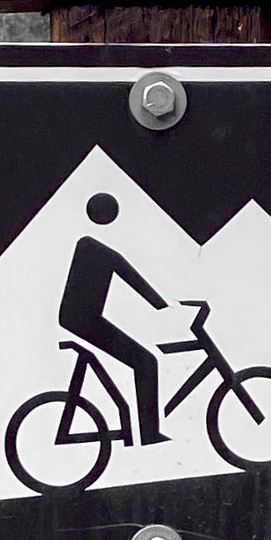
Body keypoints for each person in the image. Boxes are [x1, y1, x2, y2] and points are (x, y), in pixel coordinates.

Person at [58, 191, 170, 447]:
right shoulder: (92, 246)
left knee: (143, 360)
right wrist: (163, 305)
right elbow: (129, 275)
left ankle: (146, 430)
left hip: (83, 318)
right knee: (146, 361)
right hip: (83, 320)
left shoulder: (93, 247)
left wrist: (161, 305)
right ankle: (149, 433)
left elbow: (128, 273)